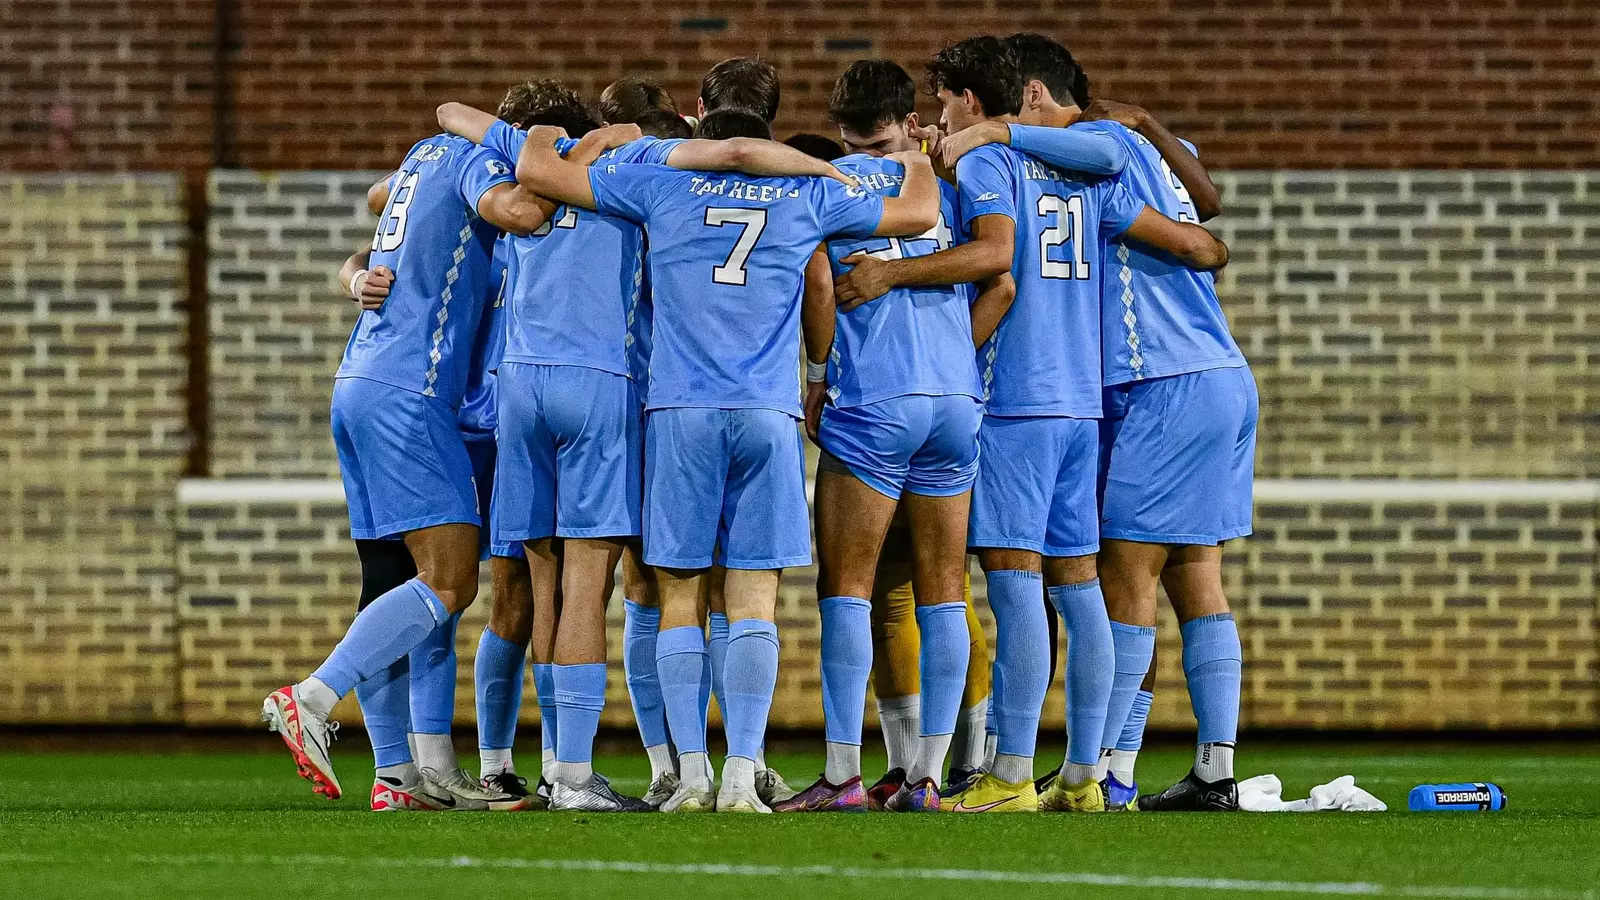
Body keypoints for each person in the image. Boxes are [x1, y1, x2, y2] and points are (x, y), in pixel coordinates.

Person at [836, 35, 1228, 813]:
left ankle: (1011, 771)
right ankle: (1088, 774)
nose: (938, 117)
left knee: (1015, 589)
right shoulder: (1085, 163)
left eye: (946, 100)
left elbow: (1000, 268)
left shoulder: (987, 164)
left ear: (970, 101)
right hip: (1083, 400)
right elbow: (1147, 189)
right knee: (1078, 589)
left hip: (1016, 399)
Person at [515, 107, 940, 812]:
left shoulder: (659, 184)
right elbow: (919, 213)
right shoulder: (810, 194)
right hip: (767, 416)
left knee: (680, 596)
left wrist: (547, 132)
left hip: (680, 414)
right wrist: (911, 158)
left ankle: (691, 778)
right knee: (753, 603)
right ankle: (743, 776)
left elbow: (540, 172)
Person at [946, 32, 1252, 812]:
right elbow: (1207, 208)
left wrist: (992, 135)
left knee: (1121, 577)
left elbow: (1199, 242)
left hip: (1153, 379)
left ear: (1036, 97)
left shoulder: (1078, 154)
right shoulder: (1146, 143)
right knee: (1193, 573)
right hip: (1208, 374)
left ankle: (1107, 768)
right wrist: (1150, 126)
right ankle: (1211, 767)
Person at [262, 123, 557, 804]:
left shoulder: (434, 162)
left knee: (407, 589)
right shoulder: (497, 184)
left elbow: (384, 198)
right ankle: (318, 700)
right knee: (448, 585)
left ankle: (404, 774)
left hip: (377, 389)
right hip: (444, 406)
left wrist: (352, 273)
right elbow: (493, 209)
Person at [775, 59, 1005, 814]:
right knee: (946, 589)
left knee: (849, 588)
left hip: (875, 397)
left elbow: (815, 283)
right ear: (906, 117)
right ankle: (930, 777)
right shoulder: (944, 182)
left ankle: (844, 774)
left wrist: (816, 375)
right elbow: (1000, 280)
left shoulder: (824, 184)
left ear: (840, 124)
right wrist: (949, 367)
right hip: (955, 401)